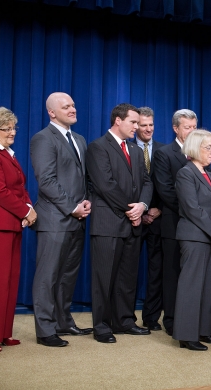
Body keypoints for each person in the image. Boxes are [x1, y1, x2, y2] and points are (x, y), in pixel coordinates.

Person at [86, 103, 153, 343]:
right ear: (118, 120)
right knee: (104, 278)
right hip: (108, 223)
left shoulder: (135, 150)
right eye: (134, 122)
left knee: (127, 277)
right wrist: (131, 209)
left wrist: (142, 205)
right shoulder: (97, 147)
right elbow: (105, 185)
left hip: (132, 224)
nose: (138, 127)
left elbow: (147, 182)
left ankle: (124, 321)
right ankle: (102, 326)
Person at [30, 92, 92, 348]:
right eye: (66, 106)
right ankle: (45, 330)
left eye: (73, 105)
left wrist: (86, 201)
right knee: (48, 276)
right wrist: (72, 207)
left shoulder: (79, 139)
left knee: (68, 275)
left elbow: (82, 177)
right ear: (51, 112)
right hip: (55, 219)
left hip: (78, 218)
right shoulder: (43, 139)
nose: (72, 109)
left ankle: (63, 321)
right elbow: (46, 181)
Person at [0, 107, 36, 352]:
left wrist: (29, 204)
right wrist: (26, 211)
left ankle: (2, 332)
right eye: (7, 128)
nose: (12, 132)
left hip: (12, 225)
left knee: (9, 281)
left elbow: (20, 187)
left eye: (13, 128)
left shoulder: (8, 154)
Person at [173, 130, 211, 351]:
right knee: (191, 287)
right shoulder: (185, 174)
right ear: (196, 148)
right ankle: (186, 335)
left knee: (206, 287)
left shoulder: (209, 174)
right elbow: (192, 210)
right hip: (194, 237)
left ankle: (204, 330)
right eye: (209, 147)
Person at [152, 109, 197, 335]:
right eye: (187, 127)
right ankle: (171, 320)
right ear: (175, 128)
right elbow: (166, 190)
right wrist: (192, 212)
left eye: (194, 127)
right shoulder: (164, 153)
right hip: (174, 223)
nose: (191, 131)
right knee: (172, 275)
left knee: (192, 275)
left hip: (196, 227)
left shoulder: (200, 152)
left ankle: (192, 319)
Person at [132, 107, 165, 331]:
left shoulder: (164, 150)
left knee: (157, 272)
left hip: (159, 218)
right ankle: (125, 316)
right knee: (129, 271)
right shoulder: (126, 147)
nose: (148, 129)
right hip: (131, 217)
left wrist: (158, 209)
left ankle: (152, 318)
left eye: (151, 125)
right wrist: (140, 211)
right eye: (143, 125)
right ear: (135, 126)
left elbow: (170, 185)